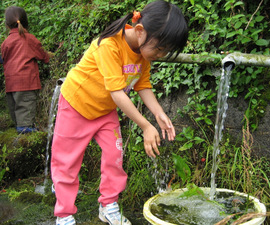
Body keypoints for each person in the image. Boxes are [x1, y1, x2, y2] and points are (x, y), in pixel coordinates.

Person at [51, 0, 188, 224]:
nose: (161, 55)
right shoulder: (110, 45)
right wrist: (145, 125)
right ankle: (64, 214)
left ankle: (108, 204)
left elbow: (142, 85)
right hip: (77, 105)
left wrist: (158, 114)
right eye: (160, 49)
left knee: (114, 157)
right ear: (141, 31)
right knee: (66, 162)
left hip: (105, 111)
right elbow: (117, 92)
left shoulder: (143, 54)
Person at [1, 6, 53, 134]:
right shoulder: (29, 39)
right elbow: (43, 57)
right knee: (26, 118)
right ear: (25, 21)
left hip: (11, 84)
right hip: (27, 83)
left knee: (17, 113)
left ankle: (19, 133)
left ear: (7, 25)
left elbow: (3, 59)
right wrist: (51, 55)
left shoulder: (6, 42)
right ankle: (25, 136)